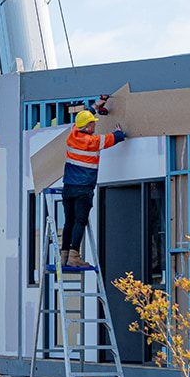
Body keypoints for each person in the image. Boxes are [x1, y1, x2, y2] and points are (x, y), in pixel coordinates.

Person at [60, 109, 126, 268]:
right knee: (80, 221)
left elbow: (79, 120)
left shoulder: (72, 135)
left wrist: (96, 106)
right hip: (83, 188)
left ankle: (64, 255)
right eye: (92, 123)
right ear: (88, 127)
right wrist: (119, 132)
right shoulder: (92, 141)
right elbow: (115, 138)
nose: (95, 125)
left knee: (69, 222)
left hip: (68, 187)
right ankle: (74, 256)